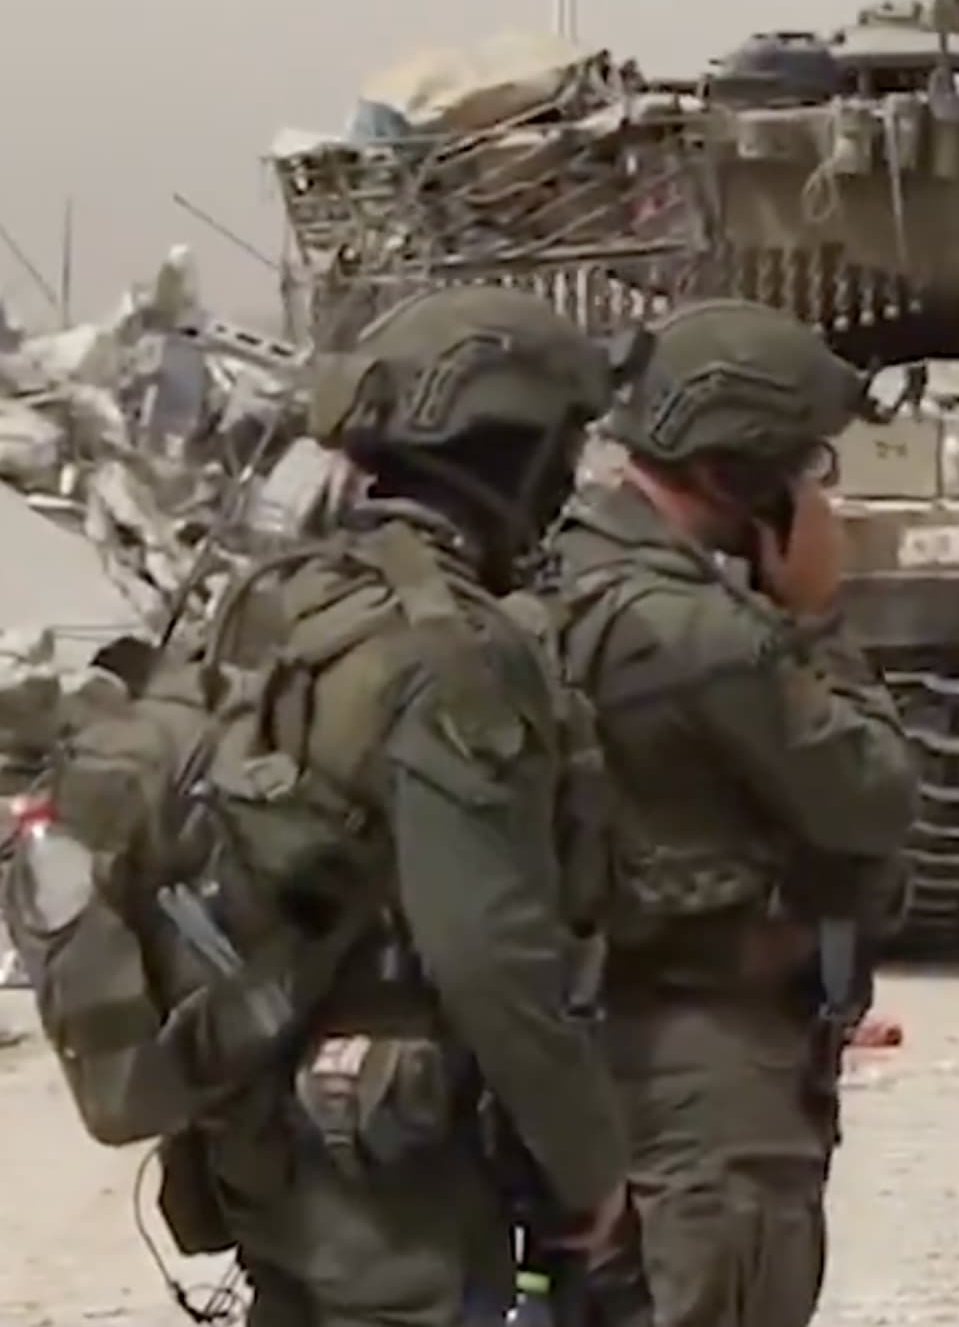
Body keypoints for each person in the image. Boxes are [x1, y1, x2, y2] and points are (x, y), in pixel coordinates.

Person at [191, 285, 635, 1327]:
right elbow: (487, 951)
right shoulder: (454, 652)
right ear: (511, 449)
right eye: (564, 445)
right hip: (398, 1164)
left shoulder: (278, 598)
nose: (570, 479)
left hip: (274, 1121)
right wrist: (589, 1166)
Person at [539, 299, 918, 1327]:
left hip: (601, 1042)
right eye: (802, 465)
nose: (816, 492)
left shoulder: (567, 570)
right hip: (704, 1070)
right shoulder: (700, 634)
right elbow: (873, 793)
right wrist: (819, 616)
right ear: (732, 471)